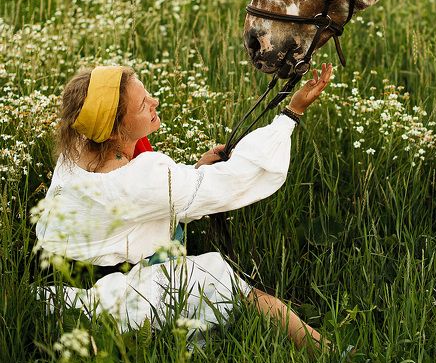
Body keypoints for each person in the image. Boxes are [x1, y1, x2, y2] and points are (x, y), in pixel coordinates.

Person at [34, 62, 333, 348]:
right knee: (229, 283)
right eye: (142, 105)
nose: (155, 101)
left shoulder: (78, 151)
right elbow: (234, 181)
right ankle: (329, 355)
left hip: (68, 285)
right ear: (113, 131)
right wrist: (292, 113)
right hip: (115, 297)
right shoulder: (142, 177)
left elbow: (148, 201)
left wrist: (193, 172)